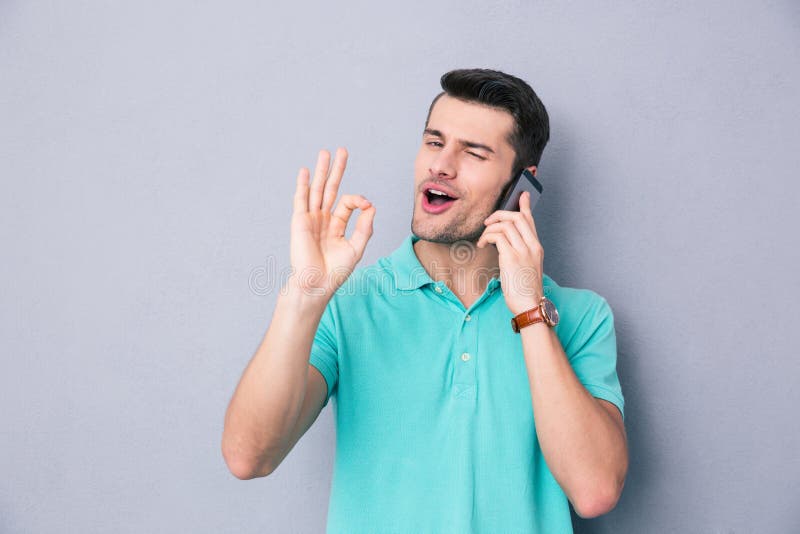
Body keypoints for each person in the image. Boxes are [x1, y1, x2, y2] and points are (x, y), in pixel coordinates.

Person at [222, 68, 628, 533]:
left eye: (473, 152)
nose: (441, 165)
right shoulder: (348, 306)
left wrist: (530, 313)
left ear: (521, 185)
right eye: (434, 142)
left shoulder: (580, 316)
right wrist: (303, 297)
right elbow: (247, 456)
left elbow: (595, 490)